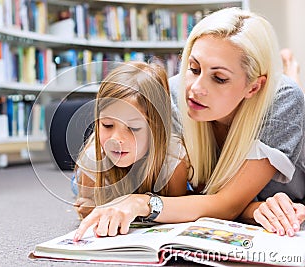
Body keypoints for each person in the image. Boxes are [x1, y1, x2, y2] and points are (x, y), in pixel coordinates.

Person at [73, 7, 305, 242]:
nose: (195, 89)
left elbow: (228, 205)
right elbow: (204, 195)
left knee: (293, 92)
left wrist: (142, 202)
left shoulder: (282, 100)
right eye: (193, 68)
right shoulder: (175, 92)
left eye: (219, 78)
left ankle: (291, 71)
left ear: (253, 87)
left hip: (288, 185)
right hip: (246, 201)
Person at [74, 61, 189, 222]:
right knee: (78, 183)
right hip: (103, 171)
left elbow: (177, 208)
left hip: (153, 167)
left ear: (156, 130)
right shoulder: (93, 156)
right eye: (107, 125)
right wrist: (89, 206)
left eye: (133, 128)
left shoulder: (174, 158)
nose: (116, 139)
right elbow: (89, 208)